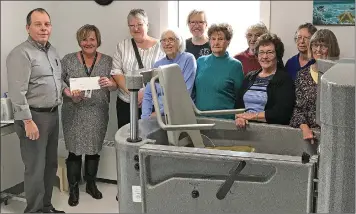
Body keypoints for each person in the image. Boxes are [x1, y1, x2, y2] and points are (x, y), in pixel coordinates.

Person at [6, 8, 64, 213]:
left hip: (52, 115)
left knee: (50, 167)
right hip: (34, 118)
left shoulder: (52, 51)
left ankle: (46, 207)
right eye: (38, 24)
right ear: (28, 27)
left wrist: (68, 91)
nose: (43, 28)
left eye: (47, 24)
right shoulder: (20, 53)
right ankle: (34, 211)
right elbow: (17, 92)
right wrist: (28, 122)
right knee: (35, 170)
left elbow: (57, 82)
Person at [61, 24, 116, 206]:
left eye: (92, 39)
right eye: (84, 39)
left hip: (98, 111)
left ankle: (91, 184)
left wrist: (110, 83)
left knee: (93, 149)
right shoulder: (68, 60)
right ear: (79, 41)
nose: (88, 43)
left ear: (98, 40)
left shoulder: (108, 61)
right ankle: (74, 188)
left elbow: (116, 83)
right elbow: (59, 82)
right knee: (74, 151)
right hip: (74, 112)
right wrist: (69, 92)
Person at [111, 9, 165, 129]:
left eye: (139, 24)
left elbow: (164, 74)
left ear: (147, 25)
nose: (136, 29)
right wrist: (134, 93)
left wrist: (145, 95)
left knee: (151, 138)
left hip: (154, 103)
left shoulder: (161, 47)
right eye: (132, 25)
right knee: (127, 137)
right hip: (127, 102)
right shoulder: (122, 46)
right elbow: (116, 72)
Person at [235, 33, 295, 128]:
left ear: (278, 55)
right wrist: (240, 117)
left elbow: (282, 113)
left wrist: (252, 116)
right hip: (244, 128)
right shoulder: (249, 77)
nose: (265, 57)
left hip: (269, 131)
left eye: (270, 52)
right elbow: (238, 106)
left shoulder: (284, 79)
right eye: (261, 52)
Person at [290, 29, 340, 143]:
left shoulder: (339, 75)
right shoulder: (302, 75)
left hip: (335, 137)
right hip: (310, 136)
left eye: (323, 46)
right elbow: (298, 109)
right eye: (315, 45)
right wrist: (304, 128)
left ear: (332, 48)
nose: (318, 50)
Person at [141, 28, 196, 119]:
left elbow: (185, 93)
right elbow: (148, 93)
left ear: (180, 42)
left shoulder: (188, 59)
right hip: (158, 115)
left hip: (180, 113)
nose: (167, 43)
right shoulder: (158, 64)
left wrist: (159, 114)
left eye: (171, 40)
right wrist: (145, 117)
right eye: (164, 40)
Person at [194, 23, 244, 120]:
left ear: (228, 42)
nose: (216, 43)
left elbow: (240, 97)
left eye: (220, 39)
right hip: (200, 118)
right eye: (213, 39)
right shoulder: (200, 61)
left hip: (225, 120)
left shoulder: (235, 65)